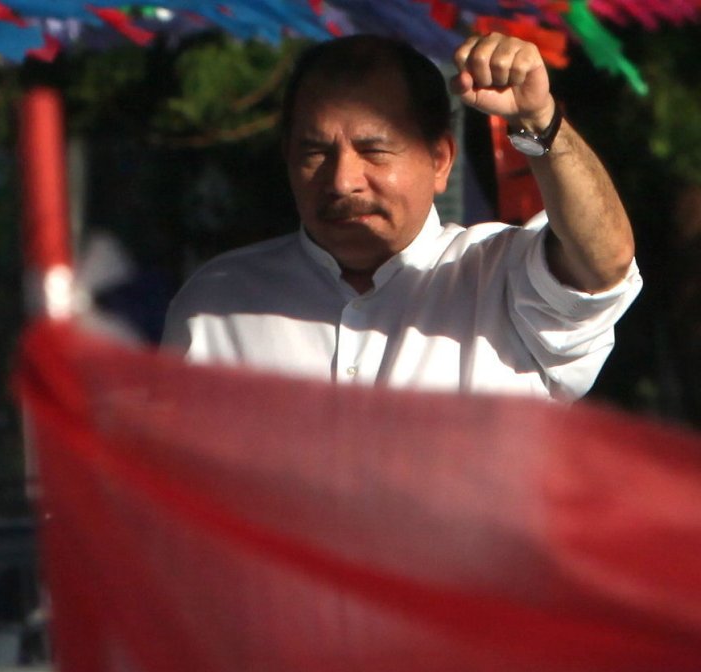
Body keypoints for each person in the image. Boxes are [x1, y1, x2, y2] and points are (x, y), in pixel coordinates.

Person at [162, 33, 641, 401]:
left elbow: (604, 261)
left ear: (440, 160)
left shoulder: (503, 281)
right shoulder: (216, 302)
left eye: (374, 150)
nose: (343, 180)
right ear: (286, 155)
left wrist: (540, 120)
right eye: (315, 152)